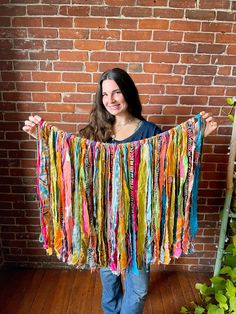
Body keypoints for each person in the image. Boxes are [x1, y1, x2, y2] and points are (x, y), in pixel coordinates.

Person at [23, 68, 217, 314]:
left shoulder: (150, 132)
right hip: (103, 222)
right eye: (105, 94)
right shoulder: (93, 133)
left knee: (138, 289)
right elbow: (69, 159)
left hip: (138, 223)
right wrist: (43, 138)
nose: (111, 100)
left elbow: (168, 172)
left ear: (128, 93)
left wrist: (197, 139)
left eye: (117, 92)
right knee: (109, 280)